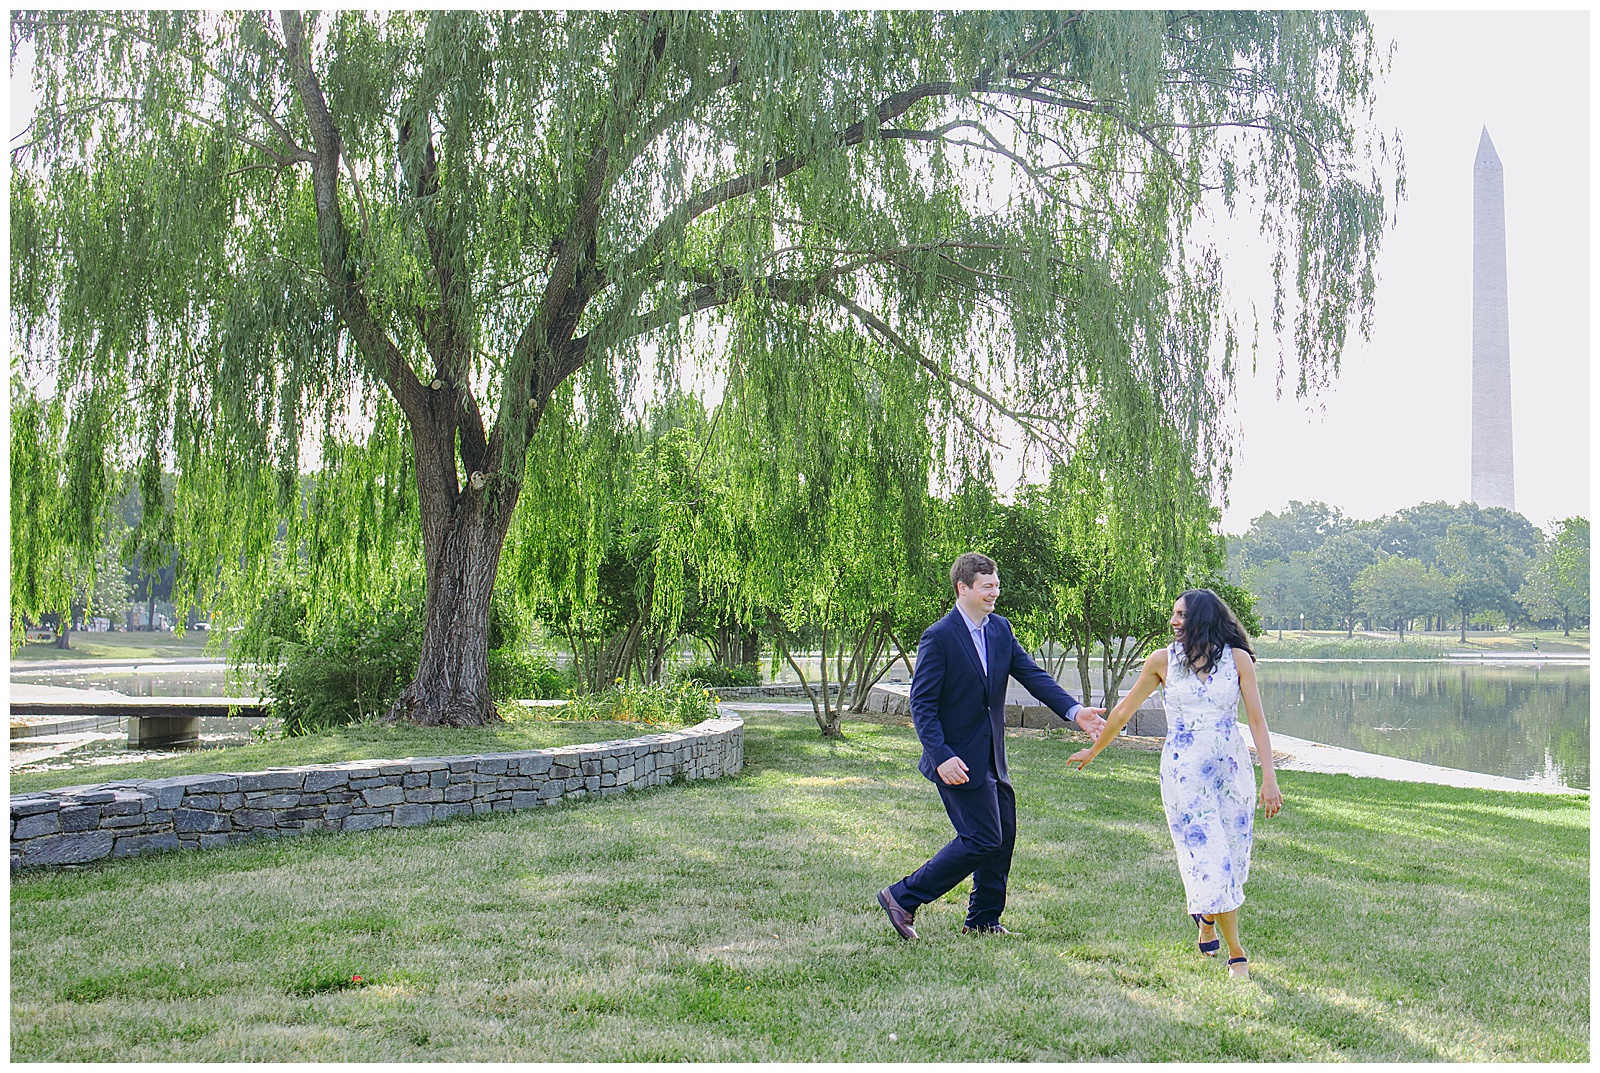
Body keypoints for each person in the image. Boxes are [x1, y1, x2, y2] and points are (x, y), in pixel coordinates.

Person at [878, 553, 1107, 940]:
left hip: (992, 758)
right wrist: (941, 757)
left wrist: (1075, 711)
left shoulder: (1000, 630)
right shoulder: (939, 636)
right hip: (954, 759)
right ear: (962, 588)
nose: (994, 593)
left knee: (1003, 836)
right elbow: (922, 705)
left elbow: (1032, 675)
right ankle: (902, 896)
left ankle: (983, 918)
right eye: (987, 587)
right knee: (983, 838)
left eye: (996, 585)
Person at [1067, 588, 1282, 980]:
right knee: (1211, 856)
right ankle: (1237, 953)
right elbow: (1122, 712)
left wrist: (1270, 777)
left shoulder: (1238, 661)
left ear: (1202, 618)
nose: (1173, 621)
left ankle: (1206, 917)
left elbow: (1256, 721)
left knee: (1232, 859)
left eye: (1181, 615)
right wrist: (1094, 750)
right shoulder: (1162, 661)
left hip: (1232, 773)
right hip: (1184, 775)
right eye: (1173, 614)